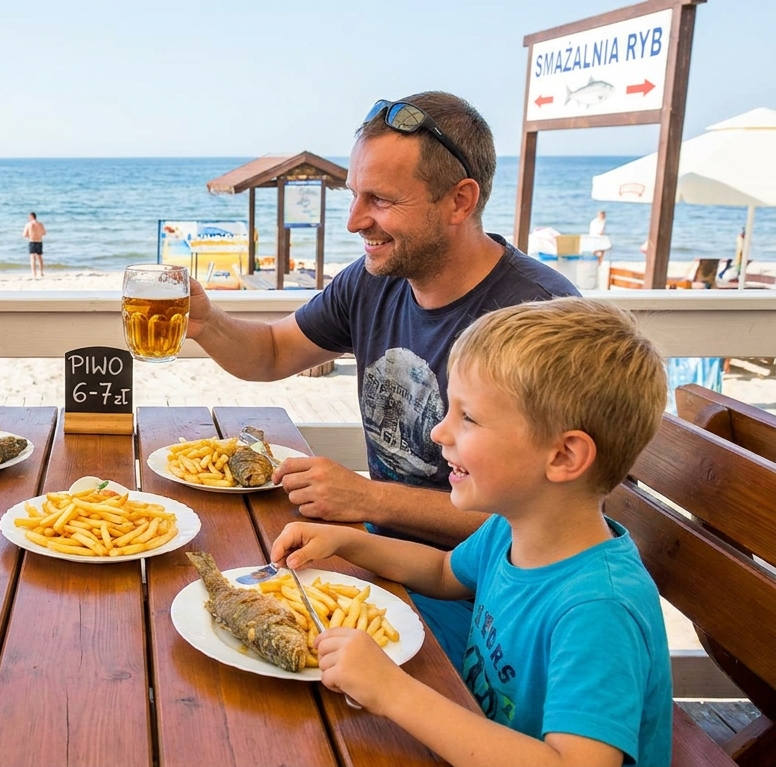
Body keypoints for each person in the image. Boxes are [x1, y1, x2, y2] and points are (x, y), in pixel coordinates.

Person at [184, 91, 578, 670]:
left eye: (382, 200)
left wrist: (369, 497)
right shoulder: (377, 278)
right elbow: (270, 353)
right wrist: (208, 322)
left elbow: (544, 516)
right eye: (354, 195)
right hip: (377, 554)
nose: (353, 220)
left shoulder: (537, 319)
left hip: (485, 601)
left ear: (459, 200)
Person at [271, 298, 672, 767]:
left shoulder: (599, 608)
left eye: (468, 417)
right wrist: (348, 542)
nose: (440, 432)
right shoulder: (512, 527)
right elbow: (443, 571)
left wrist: (393, 692)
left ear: (563, 457)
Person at [22, 212, 46, 278]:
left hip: (32, 242)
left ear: (32, 217)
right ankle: (41, 272)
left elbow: (24, 235)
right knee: (40, 257)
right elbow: (44, 233)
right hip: (39, 241)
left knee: (32, 258)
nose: (28, 218)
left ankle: (34, 274)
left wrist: (30, 234)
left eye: (29, 217)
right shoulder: (40, 224)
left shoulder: (28, 224)